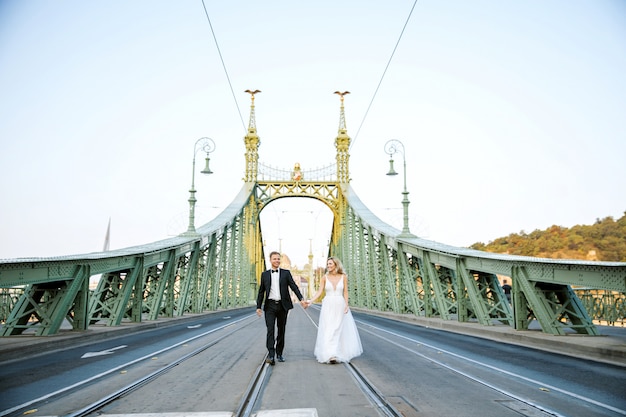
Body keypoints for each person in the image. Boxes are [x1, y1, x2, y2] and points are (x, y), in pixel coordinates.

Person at [256, 251, 308, 365]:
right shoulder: (264, 274)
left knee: (281, 330)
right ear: (270, 260)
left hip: (282, 305)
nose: (277, 261)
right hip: (269, 305)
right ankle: (271, 354)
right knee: (270, 330)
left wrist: (301, 299)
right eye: (274, 259)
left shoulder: (286, 273)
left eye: (278, 259)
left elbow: (294, 286)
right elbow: (261, 291)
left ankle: (279, 353)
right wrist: (258, 307)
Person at [308, 256, 362, 364]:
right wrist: (310, 301)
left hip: (340, 304)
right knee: (329, 328)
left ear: (336, 265)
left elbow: (345, 292)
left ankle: (336, 352)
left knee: (337, 328)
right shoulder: (324, 277)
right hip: (328, 305)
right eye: (327, 264)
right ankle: (330, 354)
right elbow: (319, 292)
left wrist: (346, 305)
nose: (328, 266)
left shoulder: (343, 277)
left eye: (330, 264)